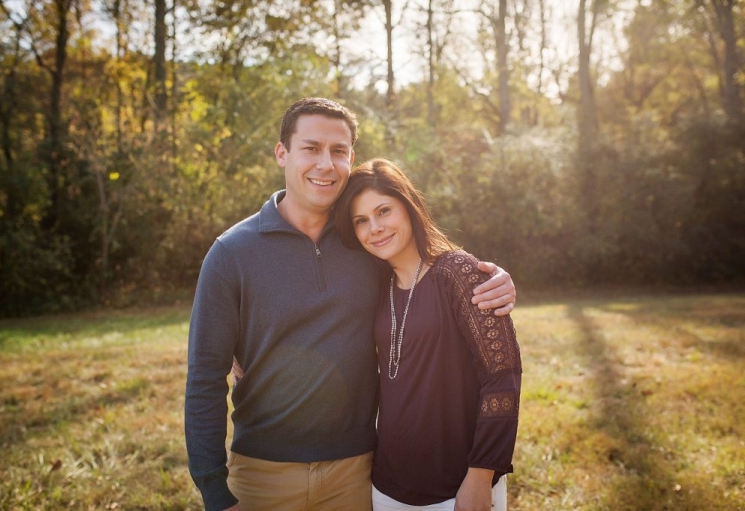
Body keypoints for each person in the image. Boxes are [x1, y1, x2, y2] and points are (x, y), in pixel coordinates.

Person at [185, 98, 517, 511]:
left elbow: (426, 269)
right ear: (282, 153)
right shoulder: (231, 253)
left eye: (338, 151)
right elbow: (204, 378)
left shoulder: (364, 245)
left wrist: (494, 279)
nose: (325, 164)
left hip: (357, 472)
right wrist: (214, 490)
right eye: (311, 148)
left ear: (351, 159)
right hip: (262, 473)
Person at [334, 158, 522, 511]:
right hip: (388, 486)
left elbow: (503, 378)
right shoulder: (377, 284)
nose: (375, 228)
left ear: (408, 206)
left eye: (384, 211)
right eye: (361, 220)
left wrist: (481, 476)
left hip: (458, 486)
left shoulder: (458, 273)